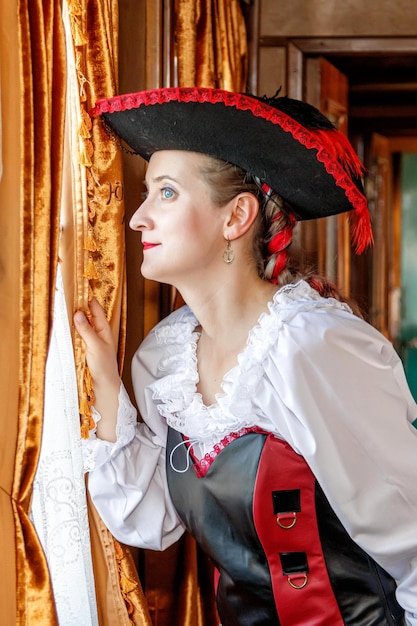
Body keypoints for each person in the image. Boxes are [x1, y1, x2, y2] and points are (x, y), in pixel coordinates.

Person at [74, 86, 417, 626]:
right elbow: (150, 520)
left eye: (165, 194)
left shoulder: (311, 347)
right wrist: (107, 384)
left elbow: (413, 540)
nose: (138, 218)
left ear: (236, 216)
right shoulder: (165, 358)